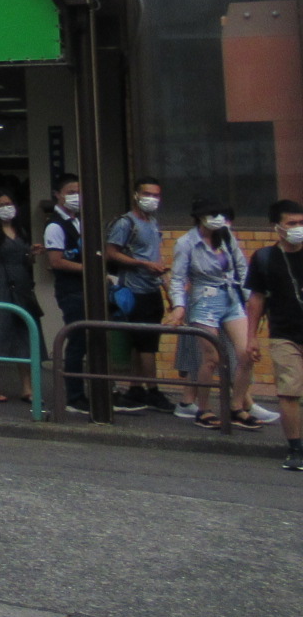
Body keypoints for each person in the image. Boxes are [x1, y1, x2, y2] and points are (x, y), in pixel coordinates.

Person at [165, 198, 259, 431]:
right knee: (211, 358)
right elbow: (178, 278)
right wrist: (179, 306)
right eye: (212, 214)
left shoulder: (226, 235)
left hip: (230, 296)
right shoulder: (186, 242)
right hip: (203, 299)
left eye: (220, 215)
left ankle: (236, 406)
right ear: (200, 217)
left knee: (246, 353)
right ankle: (203, 408)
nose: (218, 219)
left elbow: (242, 267)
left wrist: (249, 300)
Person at [104, 175, 170, 413]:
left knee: (141, 343)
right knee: (146, 345)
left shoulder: (152, 222)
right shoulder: (125, 223)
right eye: (147, 194)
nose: (152, 199)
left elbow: (156, 256)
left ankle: (135, 387)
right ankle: (152, 391)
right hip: (134, 289)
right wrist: (142, 265)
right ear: (136, 195)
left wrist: (166, 286)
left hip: (152, 288)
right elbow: (111, 253)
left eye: (156, 195)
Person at [246, 200, 303, 471]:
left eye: (301, 222)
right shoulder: (265, 258)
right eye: (292, 223)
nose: (298, 228)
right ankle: (295, 448)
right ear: (278, 227)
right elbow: (256, 300)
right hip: (284, 334)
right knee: (289, 392)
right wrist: (251, 337)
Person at [0, 190, 44, 403]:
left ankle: (27, 387)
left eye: (9, 203)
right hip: (0, 289)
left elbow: (24, 262)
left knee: (25, 336)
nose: (7, 207)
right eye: (1, 204)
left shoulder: (20, 230)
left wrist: (31, 254)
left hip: (22, 289)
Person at [43, 173, 91, 415]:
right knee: (77, 339)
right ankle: (74, 395)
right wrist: (88, 269)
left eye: (79, 192)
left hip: (85, 289)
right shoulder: (55, 226)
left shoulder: (79, 221)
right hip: (71, 291)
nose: (76, 197)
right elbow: (56, 261)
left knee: (87, 340)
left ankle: (89, 390)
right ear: (58, 195)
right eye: (71, 192)